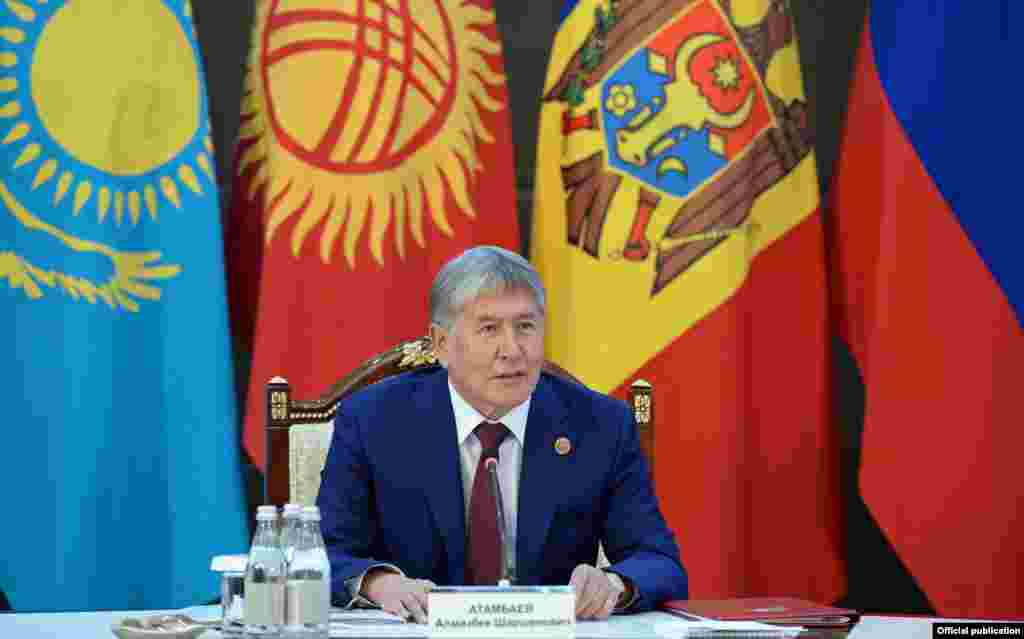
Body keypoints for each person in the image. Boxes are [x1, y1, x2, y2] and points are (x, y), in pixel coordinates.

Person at [317, 246, 687, 622]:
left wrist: (612, 584)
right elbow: (324, 553)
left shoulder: (600, 425)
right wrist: (381, 585)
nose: (511, 350)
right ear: (441, 344)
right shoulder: (374, 420)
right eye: (489, 329)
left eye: (525, 326)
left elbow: (658, 562)